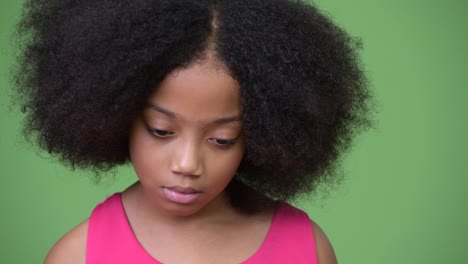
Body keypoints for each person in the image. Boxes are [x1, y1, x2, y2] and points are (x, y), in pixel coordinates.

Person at [12, 0, 372, 263]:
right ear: (116, 116)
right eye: (161, 130)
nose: (188, 164)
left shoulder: (307, 248)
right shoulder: (77, 257)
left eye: (222, 139)